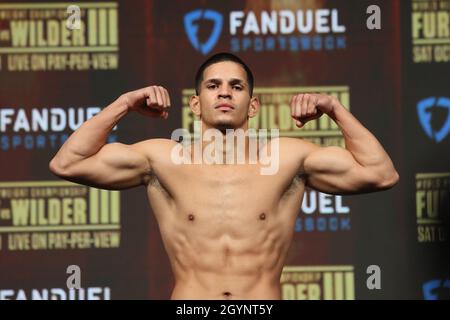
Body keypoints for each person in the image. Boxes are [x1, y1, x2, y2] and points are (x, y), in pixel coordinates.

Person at [49, 52, 399, 300]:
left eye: (236, 86)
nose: (225, 92)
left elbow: (380, 173)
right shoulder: (163, 158)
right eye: (213, 85)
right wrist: (124, 103)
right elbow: (68, 163)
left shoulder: (286, 157)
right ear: (196, 103)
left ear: (253, 104)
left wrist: (335, 109)